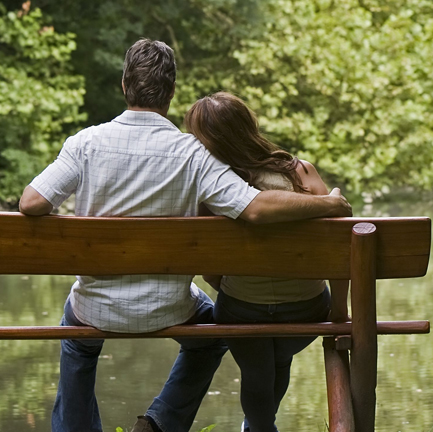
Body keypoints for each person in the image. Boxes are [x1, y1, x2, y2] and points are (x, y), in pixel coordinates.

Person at [18, 40, 352, 432]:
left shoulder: (84, 144)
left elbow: (31, 202)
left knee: (75, 337)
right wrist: (329, 205)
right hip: (170, 309)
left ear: (124, 85)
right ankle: (161, 423)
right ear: (172, 92)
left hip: (94, 309)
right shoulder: (193, 153)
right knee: (213, 332)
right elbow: (255, 207)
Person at [184, 92, 350, 432]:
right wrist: (339, 311)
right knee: (277, 360)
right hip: (307, 311)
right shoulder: (300, 172)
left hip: (241, 313)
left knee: (258, 370)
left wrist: (229, 284)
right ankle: (258, 427)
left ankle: (258, 428)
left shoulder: (213, 190)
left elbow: (208, 267)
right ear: (249, 125)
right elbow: (341, 250)